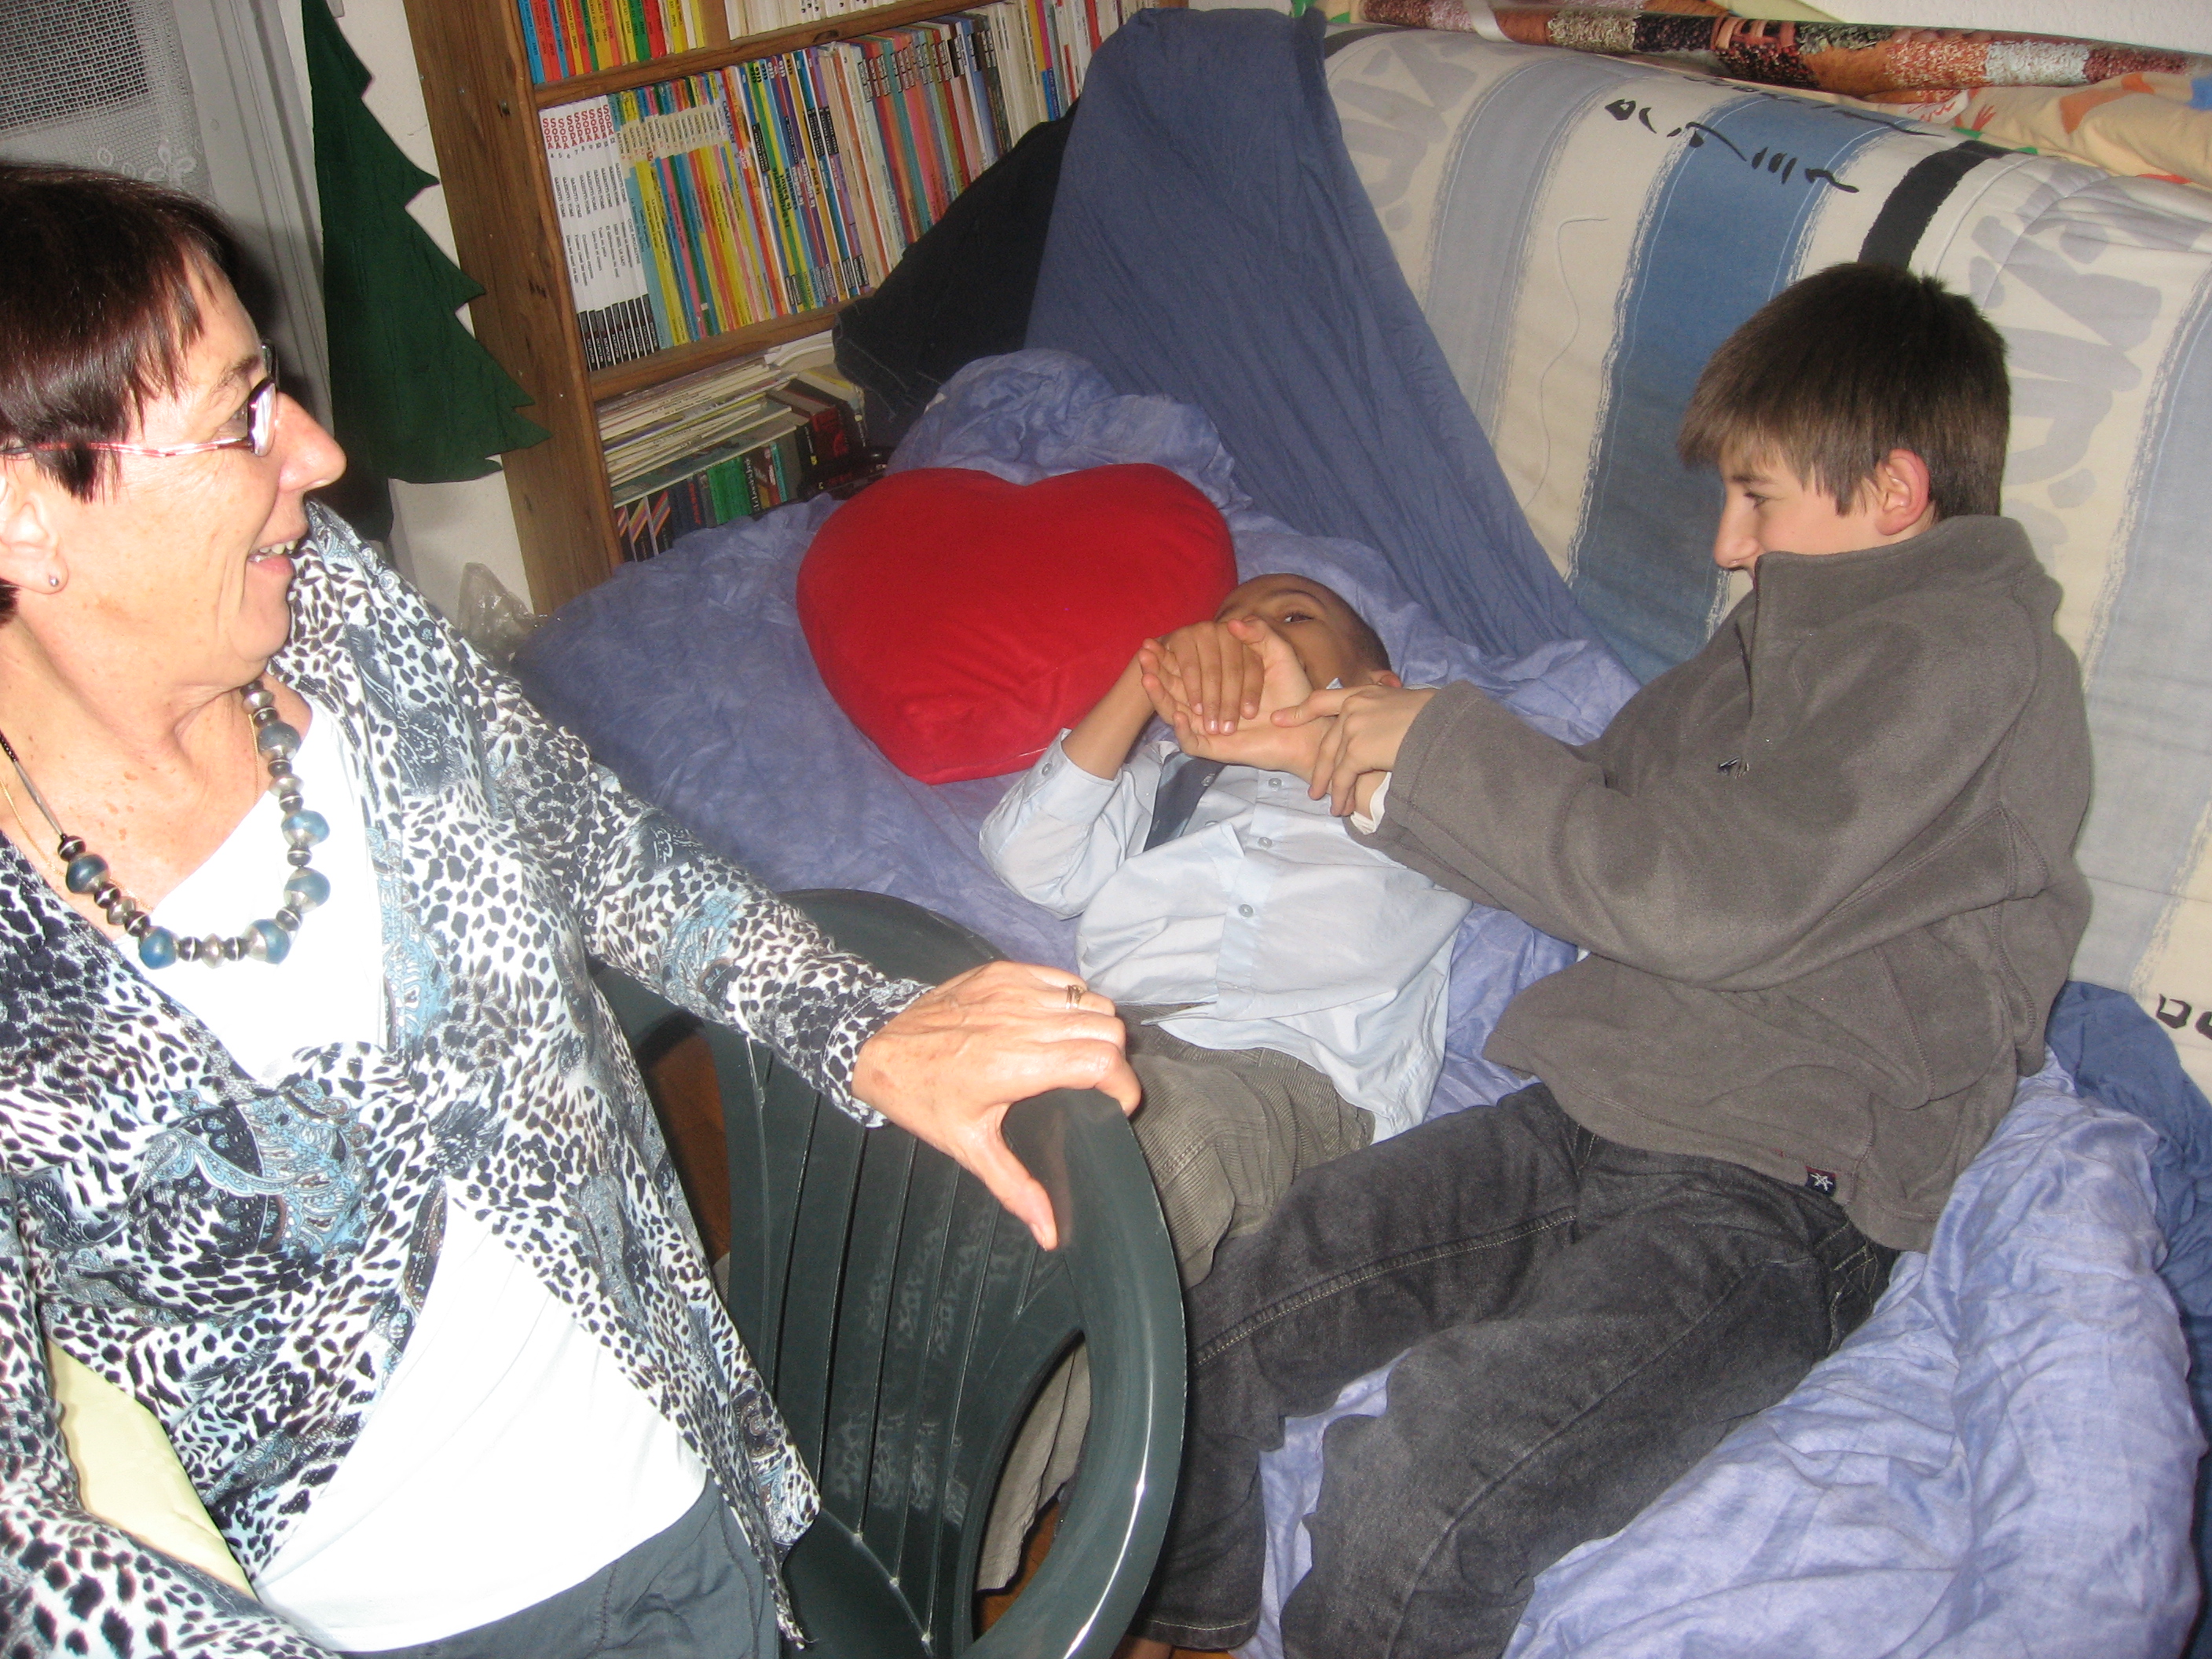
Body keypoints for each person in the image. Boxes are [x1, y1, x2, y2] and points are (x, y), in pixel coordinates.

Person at [0, 163, 1138, 1657]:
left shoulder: (331, 614)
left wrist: (858, 1024)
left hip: (686, 1469)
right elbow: (24, 1544)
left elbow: (587, 841)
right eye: (239, 421)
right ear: (21, 513)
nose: (322, 456)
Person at [1125, 262, 2093, 1657]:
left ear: (1892, 491)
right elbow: (1582, 819)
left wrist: (1438, 736)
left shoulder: (1967, 654)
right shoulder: (1760, 649)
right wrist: (1325, 737)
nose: (1726, 543)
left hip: (1774, 1187)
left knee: (1418, 1491)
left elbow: (1707, 893)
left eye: (1756, 496)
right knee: (1219, 1321)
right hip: (1587, 1113)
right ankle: (1185, 1624)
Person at [981, 573, 1470, 1286]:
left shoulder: (1414, 780)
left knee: (1154, 1158)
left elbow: (1524, 838)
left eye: (1293, 617)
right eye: (1227, 621)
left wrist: (1330, 735)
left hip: (1291, 1063)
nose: (1249, 633)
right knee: (974, 1131)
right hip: (1117, 1034)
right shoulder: (1172, 774)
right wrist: (1147, 681)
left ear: (1380, 685)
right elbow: (1029, 860)